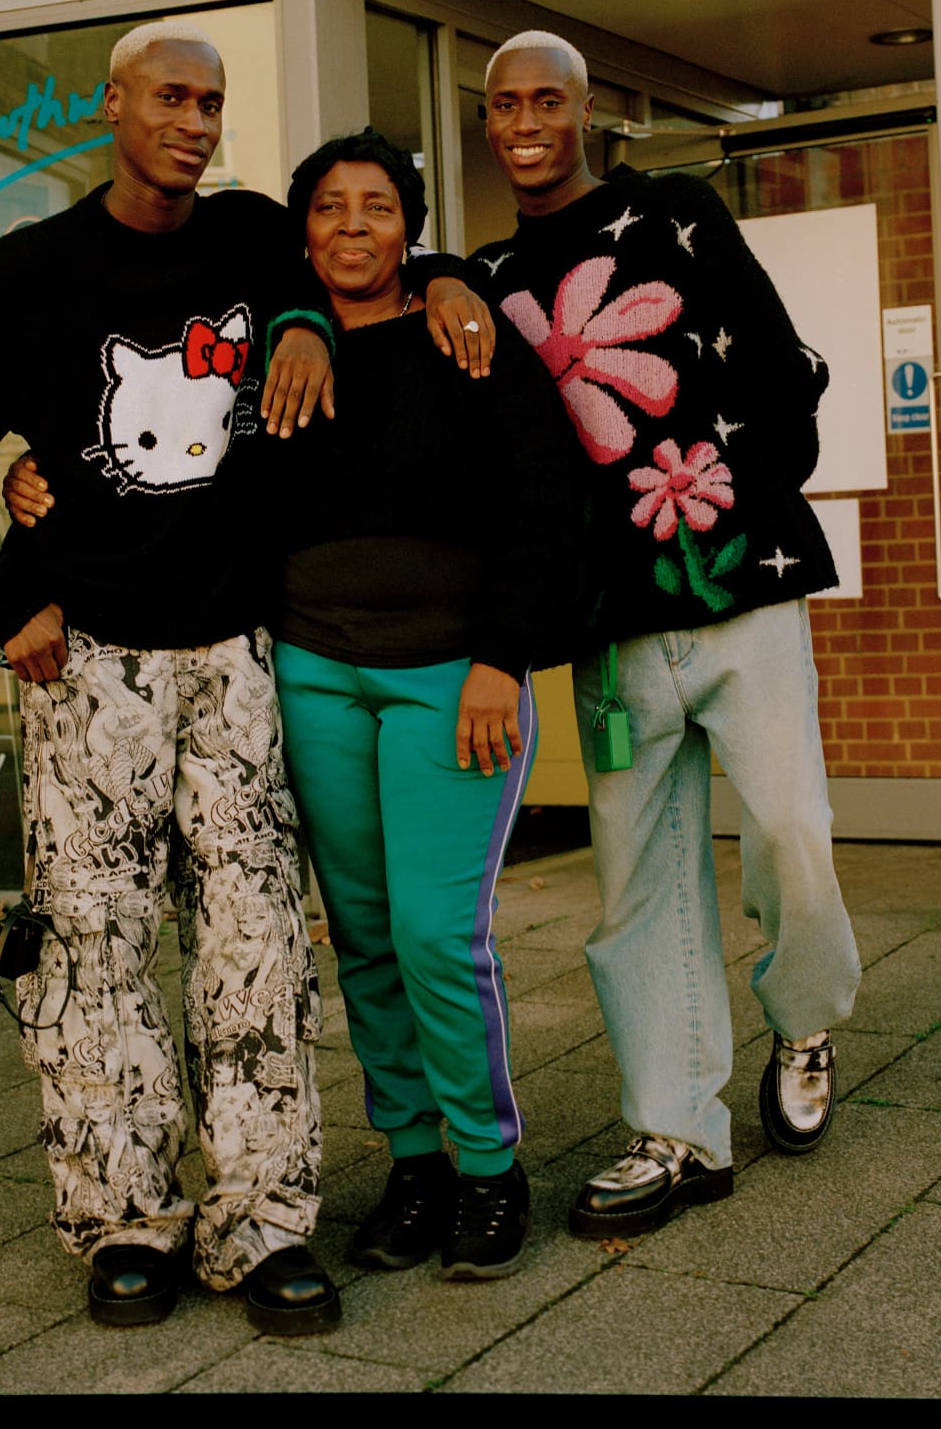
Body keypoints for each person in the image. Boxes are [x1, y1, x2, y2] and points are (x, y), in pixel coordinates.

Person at [0, 18, 492, 1335]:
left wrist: (449, 282)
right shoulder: (25, 275)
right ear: (112, 110)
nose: (194, 122)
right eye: (169, 97)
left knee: (259, 946)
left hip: (239, 654)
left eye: (211, 103)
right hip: (88, 664)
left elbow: (365, 244)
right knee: (95, 950)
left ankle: (264, 1221)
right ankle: (124, 1219)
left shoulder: (251, 237)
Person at [469, 31, 862, 1237]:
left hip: (739, 592)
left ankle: (803, 1017)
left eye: (550, 99)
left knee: (793, 833)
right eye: (505, 104)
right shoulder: (484, 277)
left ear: (589, 114)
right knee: (640, 887)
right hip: (611, 636)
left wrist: (726, 496)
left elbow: (788, 370)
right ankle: (679, 1129)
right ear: (489, 125)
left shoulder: (674, 212)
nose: (527, 118)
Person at [267, 129, 586, 1281]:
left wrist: (504, 655)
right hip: (315, 674)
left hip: (455, 680)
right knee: (361, 936)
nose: (354, 227)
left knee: (436, 937)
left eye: (379, 208)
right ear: (303, 232)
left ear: (411, 229)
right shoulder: (273, 345)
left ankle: (492, 1167)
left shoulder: (468, 333)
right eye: (331, 209)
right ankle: (415, 1162)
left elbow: (542, 501)